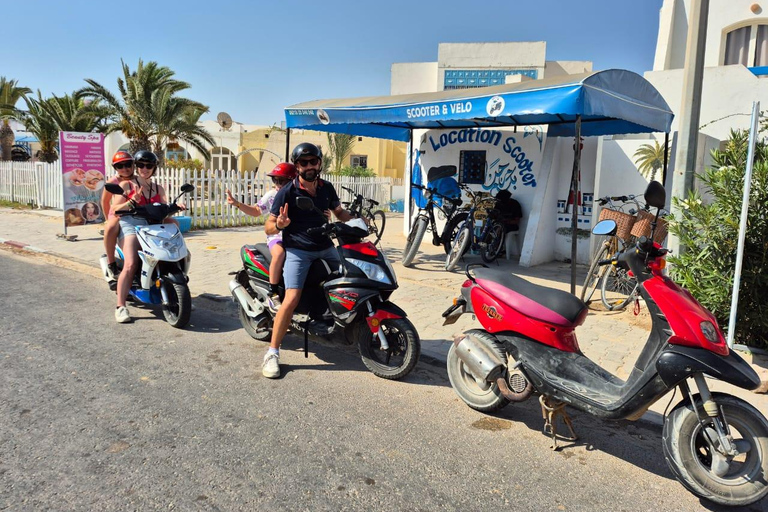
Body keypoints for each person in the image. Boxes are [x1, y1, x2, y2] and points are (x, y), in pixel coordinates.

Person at [261, 143, 355, 379]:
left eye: (313, 161)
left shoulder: (326, 188)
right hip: (299, 250)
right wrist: (280, 225)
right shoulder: (287, 192)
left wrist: (357, 222)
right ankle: (272, 353)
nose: (309, 166)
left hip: (325, 247)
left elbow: (339, 213)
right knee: (291, 298)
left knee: (350, 278)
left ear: (320, 163)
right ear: (297, 166)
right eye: (304, 163)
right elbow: (268, 226)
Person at [112, 150, 183, 323]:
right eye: (141, 165)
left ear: (154, 168)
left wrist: (176, 206)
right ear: (136, 166)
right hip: (131, 225)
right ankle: (121, 306)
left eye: (149, 165)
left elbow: (165, 205)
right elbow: (115, 209)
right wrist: (131, 201)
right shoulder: (127, 186)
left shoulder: (158, 188)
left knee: (177, 250)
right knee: (131, 263)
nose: (145, 168)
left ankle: (180, 294)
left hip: (152, 225)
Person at [226, 162, 297, 310]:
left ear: (293, 180)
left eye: (282, 180)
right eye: (275, 180)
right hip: (277, 235)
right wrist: (237, 203)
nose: (278, 184)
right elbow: (256, 211)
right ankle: (273, 292)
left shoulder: (298, 195)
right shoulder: (272, 196)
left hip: (297, 236)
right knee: (279, 254)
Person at [102, 151, 136, 283]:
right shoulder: (114, 181)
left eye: (128, 164)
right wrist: (108, 219)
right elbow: (105, 202)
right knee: (111, 227)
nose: (125, 168)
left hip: (135, 214)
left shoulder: (138, 179)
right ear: (115, 168)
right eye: (119, 166)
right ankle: (111, 264)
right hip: (118, 214)